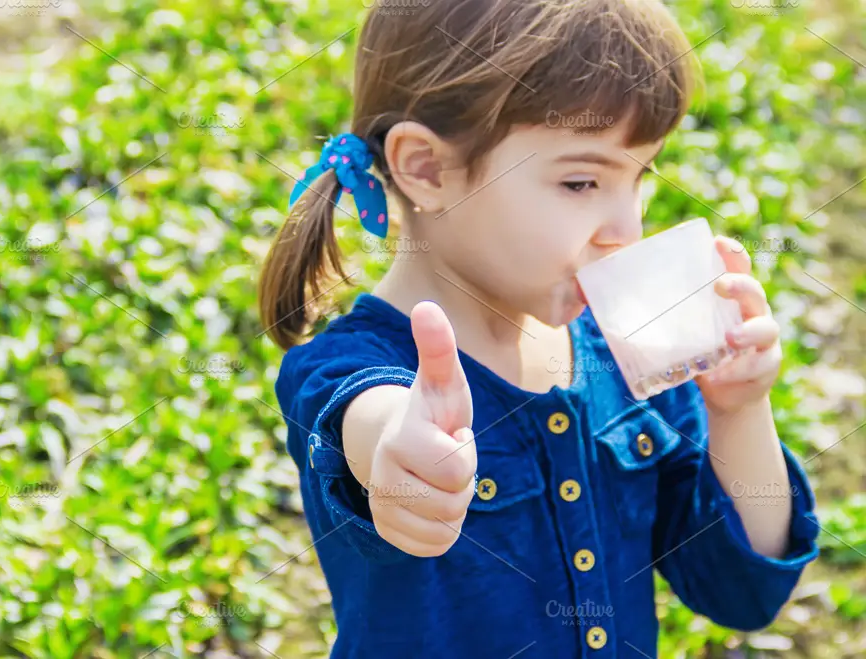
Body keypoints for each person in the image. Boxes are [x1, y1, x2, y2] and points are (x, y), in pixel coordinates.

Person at [258, 0, 820, 656]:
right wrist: (398, 453)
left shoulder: (627, 353)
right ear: (427, 169)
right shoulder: (349, 370)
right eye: (582, 182)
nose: (626, 231)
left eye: (638, 178)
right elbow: (369, 422)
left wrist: (739, 412)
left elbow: (741, 593)